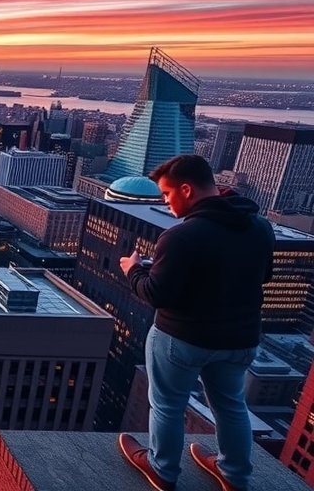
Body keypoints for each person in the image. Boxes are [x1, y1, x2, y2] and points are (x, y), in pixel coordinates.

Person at [117, 155, 274, 491]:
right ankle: (234, 473)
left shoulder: (182, 237)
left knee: (168, 403)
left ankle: (162, 469)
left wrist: (134, 269)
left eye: (166, 194)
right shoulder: (260, 227)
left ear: (186, 189)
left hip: (183, 337)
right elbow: (265, 276)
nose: (165, 201)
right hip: (239, 339)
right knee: (231, 405)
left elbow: (155, 293)